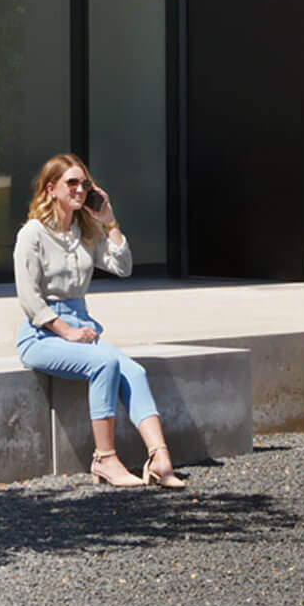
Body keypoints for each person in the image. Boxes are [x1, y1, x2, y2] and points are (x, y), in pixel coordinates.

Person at [13, 153, 186, 489]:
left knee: (133, 370)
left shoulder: (84, 230)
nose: (79, 189)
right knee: (105, 363)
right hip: (41, 334)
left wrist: (110, 221)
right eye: (71, 183)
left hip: (81, 325)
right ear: (51, 189)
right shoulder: (32, 233)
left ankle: (160, 459)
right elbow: (28, 297)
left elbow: (122, 267)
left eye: (84, 183)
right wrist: (66, 331)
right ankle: (105, 459)